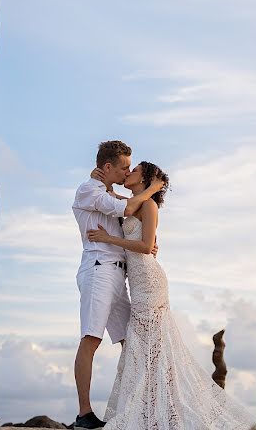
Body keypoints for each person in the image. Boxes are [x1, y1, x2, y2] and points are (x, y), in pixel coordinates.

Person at [87, 161, 256, 430]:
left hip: (150, 284)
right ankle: (150, 409)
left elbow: (144, 246)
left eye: (134, 170)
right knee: (143, 349)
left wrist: (110, 239)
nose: (128, 173)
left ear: (145, 179)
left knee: (152, 347)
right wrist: (99, 178)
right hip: (137, 283)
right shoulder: (133, 203)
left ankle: (156, 410)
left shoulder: (148, 205)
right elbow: (112, 199)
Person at [72, 140, 165, 430]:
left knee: (132, 342)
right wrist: (151, 189)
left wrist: (147, 243)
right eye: (124, 167)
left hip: (121, 276)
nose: (127, 172)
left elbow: (132, 214)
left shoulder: (108, 190)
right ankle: (84, 413)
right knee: (91, 338)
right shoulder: (90, 189)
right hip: (99, 270)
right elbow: (124, 211)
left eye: (131, 167)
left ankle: (137, 408)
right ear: (108, 166)